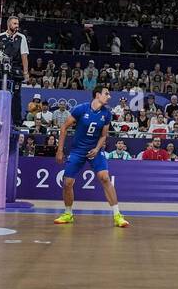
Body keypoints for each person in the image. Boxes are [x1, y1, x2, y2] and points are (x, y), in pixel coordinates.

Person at [54, 84, 129, 227]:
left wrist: (97, 148)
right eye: (106, 93)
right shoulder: (81, 109)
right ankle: (68, 214)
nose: (109, 96)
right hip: (77, 151)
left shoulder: (107, 114)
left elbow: (103, 136)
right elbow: (63, 128)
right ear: (97, 95)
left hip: (95, 150)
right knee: (68, 183)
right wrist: (59, 150)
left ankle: (117, 215)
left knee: (105, 178)